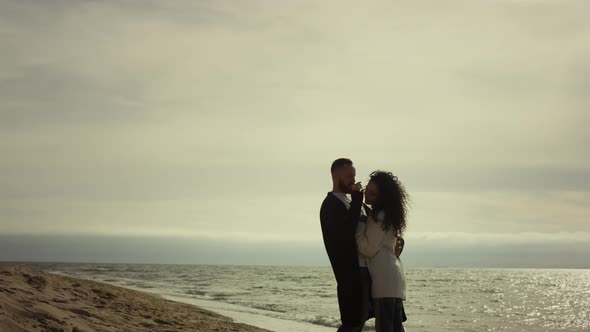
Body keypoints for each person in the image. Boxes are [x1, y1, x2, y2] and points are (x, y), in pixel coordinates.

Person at [320, 159, 404, 331]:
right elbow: (345, 235)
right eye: (348, 176)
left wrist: (398, 243)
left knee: (372, 321)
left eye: (354, 175)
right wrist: (357, 199)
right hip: (352, 273)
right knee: (353, 322)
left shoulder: (361, 205)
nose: (353, 179)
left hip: (373, 271)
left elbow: (380, 231)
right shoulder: (330, 205)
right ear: (336, 176)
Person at [356, 171, 409, 332]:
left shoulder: (377, 217)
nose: (367, 194)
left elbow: (368, 249)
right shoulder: (388, 215)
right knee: (396, 328)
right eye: (367, 189)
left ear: (382, 197)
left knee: (385, 328)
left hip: (383, 279)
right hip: (394, 278)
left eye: (373, 193)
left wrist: (359, 228)